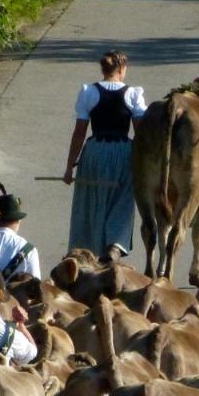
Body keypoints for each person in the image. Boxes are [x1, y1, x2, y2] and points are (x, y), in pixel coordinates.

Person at [63, 50, 148, 255]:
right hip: (123, 152)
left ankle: (87, 250)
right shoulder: (133, 94)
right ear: (121, 69)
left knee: (90, 200)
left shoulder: (88, 92)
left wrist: (69, 167)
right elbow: (142, 132)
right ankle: (115, 245)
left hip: (95, 151)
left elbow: (79, 134)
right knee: (122, 199)